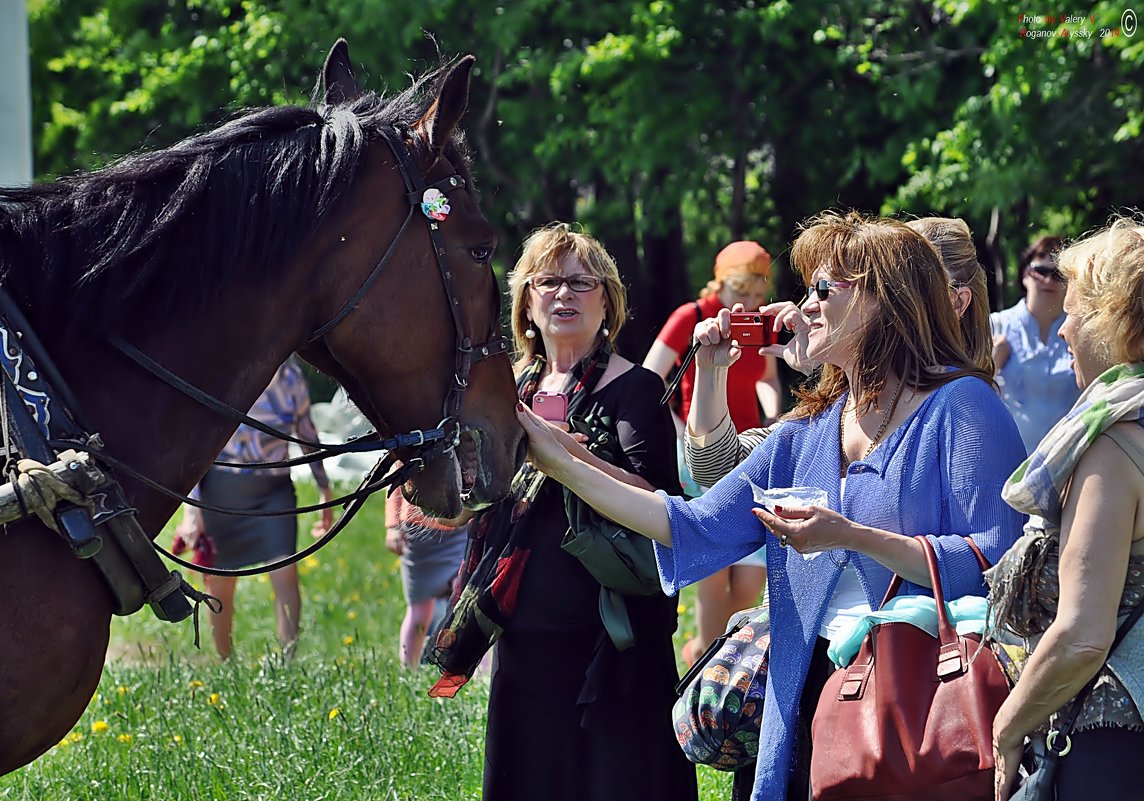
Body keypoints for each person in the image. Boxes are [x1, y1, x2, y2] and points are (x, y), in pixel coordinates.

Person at [515, 211, 1026, 801]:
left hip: (918, 706)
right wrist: (554, 457)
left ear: (884, 302)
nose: (803, 305)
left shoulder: (963, 405)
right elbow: (688, 522)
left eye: (823, 289)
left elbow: (995, 561)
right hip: (799, 700)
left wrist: (853, 536)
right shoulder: (805, 431)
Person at [426, 222, 698, 801]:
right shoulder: (506, 391)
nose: (564, 294)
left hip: (611, 645)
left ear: (608, 301)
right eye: (548, 281)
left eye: (582, 282)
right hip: (524, 640)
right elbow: (476, 499)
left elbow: (659, 504)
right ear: (526, 300)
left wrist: (566, 453)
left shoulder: (637, 389)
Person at [989, 216, 1144, 801]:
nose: (1061, 333)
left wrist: (1007, 728)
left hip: (1116, 741)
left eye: (1074, 313)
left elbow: (1081, 636)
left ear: (1113, 322)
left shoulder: (1115, 446)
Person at [685, 215, 996, 489]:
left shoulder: (964, 402)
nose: (807, 305)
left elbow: (980, 549)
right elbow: (717, 468)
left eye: (911, 282)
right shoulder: (835, 409)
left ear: (956, 303)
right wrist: (711, 371)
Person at [643, 240, 782, 665]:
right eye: (742, 292)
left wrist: (774, 416)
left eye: (758, 294)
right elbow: (649, 381)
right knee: (713, 568)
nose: (750, 303)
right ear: (721, 284)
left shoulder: (759, 322)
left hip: (751, 453)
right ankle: (706, 659)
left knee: (746, 583)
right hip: (699, 454)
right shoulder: (693, 317)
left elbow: (768, 377)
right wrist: (679, 432)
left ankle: (714, 655)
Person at [173, 357, 333, 659]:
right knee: (221, 584)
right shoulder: (226, 369)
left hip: (274, 492)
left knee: (285, 570)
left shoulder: (291, 376)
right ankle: (225, 661)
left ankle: (287, 661)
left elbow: (307, 433)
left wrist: (325, 489)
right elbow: (195, 443)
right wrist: (192, 512)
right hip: (222, 493)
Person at [992, 235, 1080, 452]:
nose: (1048, 281)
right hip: (1008, 460)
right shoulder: (996, 326)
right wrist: (990, 364)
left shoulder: (1080, 334)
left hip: (1064, 465)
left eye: (1058, 274)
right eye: (1040, 271)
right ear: (1025, 275)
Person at [385, 485, 469, 669]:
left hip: (460, 526)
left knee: (467, 601)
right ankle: (409, 670)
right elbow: (397, 474)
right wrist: (393, 525)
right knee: (421, 611)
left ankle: (475, 672)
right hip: (419, 530)